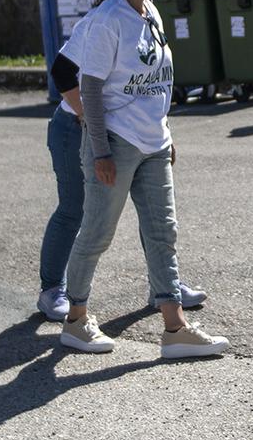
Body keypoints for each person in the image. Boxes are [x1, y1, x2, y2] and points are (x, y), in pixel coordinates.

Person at [58, 0, 227, 360]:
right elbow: (90, 89)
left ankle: (175, 328)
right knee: (97, 233)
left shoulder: (150, 11)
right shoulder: (108, 19)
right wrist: (100, 151)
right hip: (115, 143)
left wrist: (165, 132)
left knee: (162, 233)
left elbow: (158, 83)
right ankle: (75, 319)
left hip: (153, 143)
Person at [39, 32, 210, 321]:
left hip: (132, 131)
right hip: (75, 127)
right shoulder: (100, 22)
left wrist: (163, 132)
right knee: (74, 209)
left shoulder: (147, 18)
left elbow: (150, 84)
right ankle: (52, 290)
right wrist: (87, 118)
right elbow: (62, 71)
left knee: (153, 212)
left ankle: (163, 288)